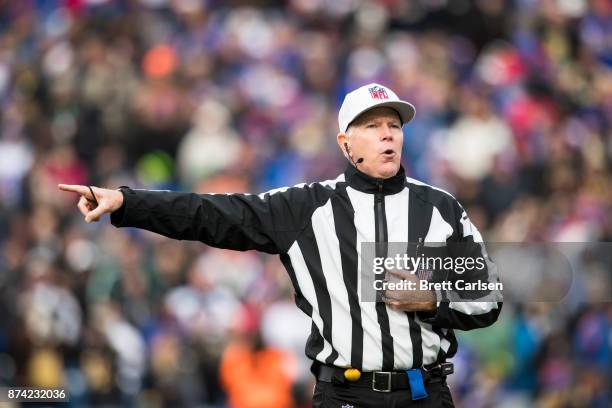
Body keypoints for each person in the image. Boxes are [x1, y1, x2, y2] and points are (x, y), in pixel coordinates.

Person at [59, 83, 502, 407]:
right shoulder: (306, 207)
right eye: (372, 125)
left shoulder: (439, 209)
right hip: (345, 393)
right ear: (346, 144)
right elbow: (210, 214)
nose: (388, 134)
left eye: (394, 124)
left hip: (424, 393)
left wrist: (431, 300)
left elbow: (486, 299)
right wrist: (126, 202)